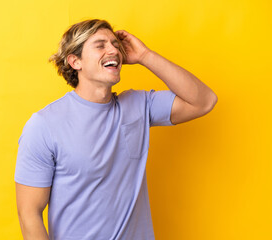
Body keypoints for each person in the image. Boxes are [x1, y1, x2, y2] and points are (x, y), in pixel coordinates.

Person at [14, 19, 217, 240]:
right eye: (100, 45)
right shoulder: (45, 125)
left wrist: (145, 56)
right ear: (75, 61)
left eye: (115, 44)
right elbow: (29, 214)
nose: (114, 50)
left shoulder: (139, 105)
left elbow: (204, 101)